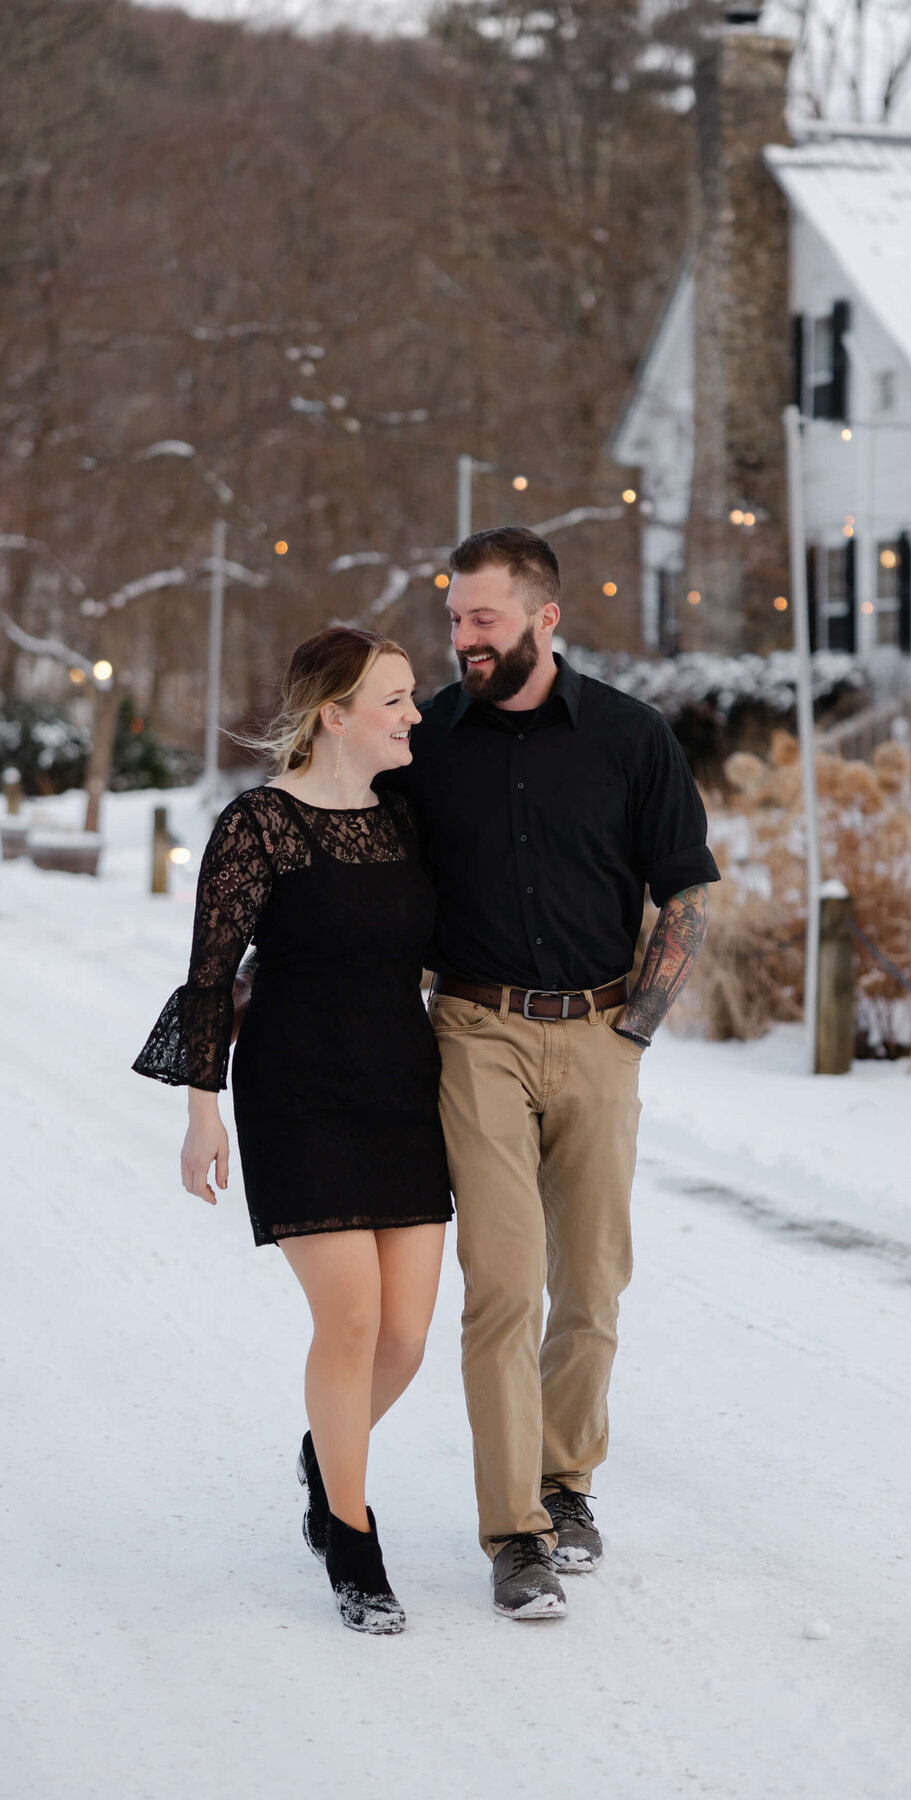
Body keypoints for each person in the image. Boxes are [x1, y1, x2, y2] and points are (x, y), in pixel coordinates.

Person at [380, 525, 718, 1621]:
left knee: (593, 1282)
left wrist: (636, 1033)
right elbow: (362, 868)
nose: (464, 639)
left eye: (483, 619)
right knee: (503, 1283)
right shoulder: (426, 737)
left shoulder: (630, 738)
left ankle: (566, 1484)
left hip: (601, 1032)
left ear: (544, 617)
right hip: (474, 1030)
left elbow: (688, 894)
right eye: (455, 620)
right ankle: (512, 1534)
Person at [133, 627, 452, 1636]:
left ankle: (327, 1451)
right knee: (351, 1319)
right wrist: (201, 1108)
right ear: (336, 715)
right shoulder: (257, 825)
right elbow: (207, 974)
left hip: (403, 1087)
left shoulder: (407, 815)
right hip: (297, 1096)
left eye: (412, 696)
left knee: (406, 1335)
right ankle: (352, 1543)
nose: (413, 714)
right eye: (395, 699)